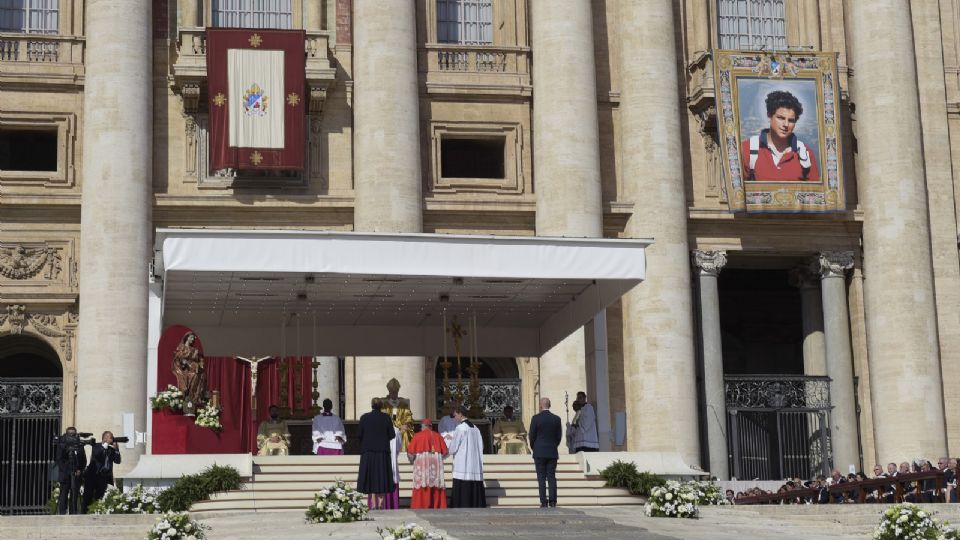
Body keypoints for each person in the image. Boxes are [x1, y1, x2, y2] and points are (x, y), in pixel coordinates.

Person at [740, 90, 820, 182]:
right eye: (781, 118)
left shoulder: (805, 154)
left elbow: (815, 189)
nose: (786, 124)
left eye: (791, 120)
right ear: (769, 116)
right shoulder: (747, 150)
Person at [357, 397, 395, 509]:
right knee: (382, 476)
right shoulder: (386, 417)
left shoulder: (364, 417)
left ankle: (373, 503)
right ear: (381, 406)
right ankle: (381, 502)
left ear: (371, 405)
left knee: (371, 477)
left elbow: (359, 434)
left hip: (368, 452)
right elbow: (392, 435)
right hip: (382, 452)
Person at [448, 405, 486, 508]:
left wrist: (449, 449)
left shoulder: (460, 428)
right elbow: (482, 446)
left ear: (460, 414)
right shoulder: (476, 428)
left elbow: (453, 447)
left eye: (455, 415)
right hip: (474, 464)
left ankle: (461, 505)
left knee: (462, 483)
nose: (454, 418)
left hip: (463, 463)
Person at [407, 418, 448, 509]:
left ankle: (420, 505)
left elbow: (410, 452)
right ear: (431, 426)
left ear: (423, 426)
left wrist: (412, 460)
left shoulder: (417, 436)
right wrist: (439, 458)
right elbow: (445, 452)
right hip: (435, 464)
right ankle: (436, 505)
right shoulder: (438, 436)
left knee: (422, 482)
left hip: (422, 464)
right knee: (435, 483)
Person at [529, 397, 562, 509]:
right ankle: (553, 501)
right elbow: (559, 436)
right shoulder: (556, 419)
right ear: (550, 405)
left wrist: (534, 447)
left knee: (541, 478)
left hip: (539, 452)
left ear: (540, 406)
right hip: (552, 451)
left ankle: (543, 502)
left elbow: (532, 435)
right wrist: (554, 445)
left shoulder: (536, 418)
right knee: (552, 477)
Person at [82, 430, 121, 513]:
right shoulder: (96, 446)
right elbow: (97, 455)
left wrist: (117, 450)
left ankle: (97, 512)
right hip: (93, 475)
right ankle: (84, 513)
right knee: (88, 497)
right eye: (111, 437)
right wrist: (106, 445)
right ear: (105, 438)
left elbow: (117, 461)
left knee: (100, 497)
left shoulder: (111, 449)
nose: (112, 439)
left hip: (104, 476)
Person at [172, 331, 206, 415]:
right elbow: (178, 357)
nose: (193, 339)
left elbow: (198, 360)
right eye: (191, 337)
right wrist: (186, 360)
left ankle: (194, 398)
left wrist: (199, 364)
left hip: (193, 368)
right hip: (184, 369)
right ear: (187, 338)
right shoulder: (181, 347)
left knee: (200, 375)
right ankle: (189, 398)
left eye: (193, 338)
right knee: (193, 375)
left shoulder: (194, 349)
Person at [55, 426, 87, 515]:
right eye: (70, 434)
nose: (72, 435)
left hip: (76, 475)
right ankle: (62, 513)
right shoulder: (62, 445)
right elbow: (59, 460)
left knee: (74, 495)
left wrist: (80, 469)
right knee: (63, 495)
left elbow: (83, 460)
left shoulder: (79, 445)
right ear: (66, 434)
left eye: (73, 434)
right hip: (65, 475)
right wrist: (67, 471)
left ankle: (73, 513)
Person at [382, 378, 414, 452]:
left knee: (405, 433)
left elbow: (408, 416)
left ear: (397, 392)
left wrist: (406, 424)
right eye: (392, 392)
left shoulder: (404, 405)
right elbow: (382, 418)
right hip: (389, 428)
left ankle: (404, 454)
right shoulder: (384, 405)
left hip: (401, 428)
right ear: (389, 392)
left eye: (395, 392)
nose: (394, 394)